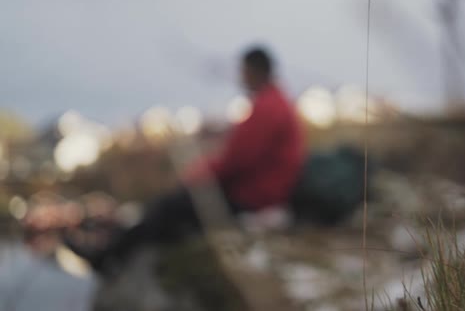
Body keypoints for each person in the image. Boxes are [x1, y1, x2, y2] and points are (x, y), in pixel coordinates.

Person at [66, 46, 305, 273]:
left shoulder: (267, 108)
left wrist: (199, 172)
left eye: (243, 71)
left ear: (254, 71)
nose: (240, 78)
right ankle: (114, 252)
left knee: (168, 207)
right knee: (172, 208)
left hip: (254, 197)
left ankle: (108, 257)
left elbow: (238, 160)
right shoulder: (278, 102)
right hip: (262, 192)